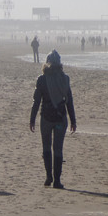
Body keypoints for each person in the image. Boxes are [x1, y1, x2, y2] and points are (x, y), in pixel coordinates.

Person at [29, 50, 77, 188]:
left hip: (46, 118)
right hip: (60, 118)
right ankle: (57, 180)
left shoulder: (42, 79)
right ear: (60, 63)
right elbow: (69, 101)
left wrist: (32, 119)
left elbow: (36, 101)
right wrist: (73, 120)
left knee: (46, 147)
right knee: (58, 149)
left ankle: (48, 176)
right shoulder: (65, 79)